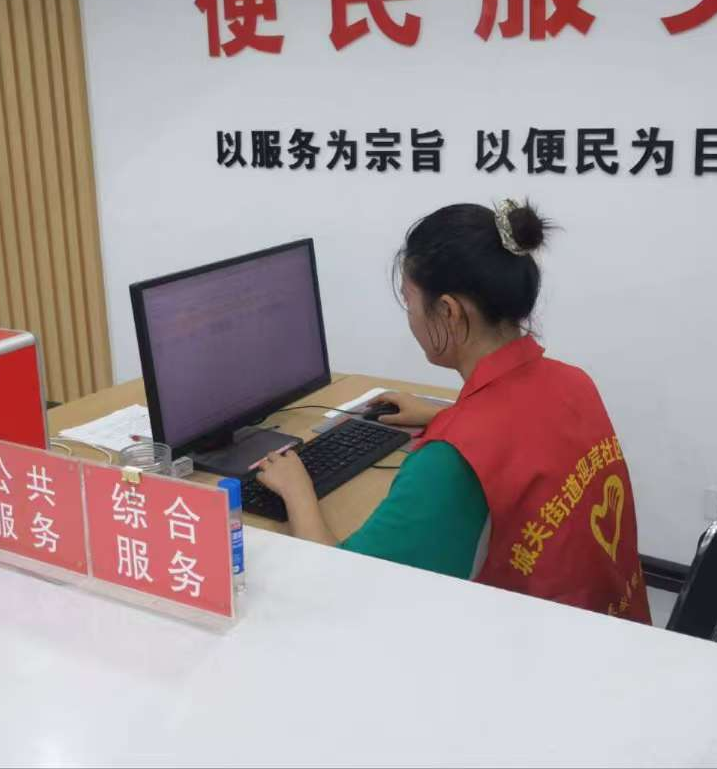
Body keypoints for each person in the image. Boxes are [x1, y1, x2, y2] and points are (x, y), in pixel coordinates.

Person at [255, 199, 651, 622]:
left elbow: (339, 585)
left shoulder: (448, 462)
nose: (410, 318)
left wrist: (297, 489)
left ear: (448, 311)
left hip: (531, 648)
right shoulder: (573, 382)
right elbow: (525, 432)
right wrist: (443, 416)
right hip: (615, 628)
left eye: (409, 302)